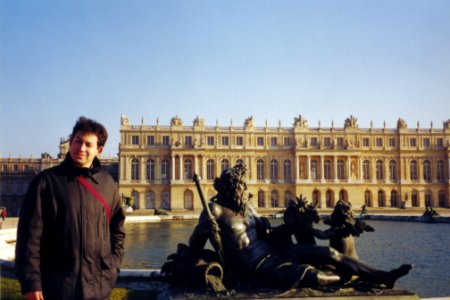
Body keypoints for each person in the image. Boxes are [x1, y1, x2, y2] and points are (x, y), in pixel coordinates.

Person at [189, 163, 411, 291]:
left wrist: (291, 226)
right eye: (241, 186)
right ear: (230, 188)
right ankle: (351, 278)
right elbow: (194, 247)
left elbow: (269, 234)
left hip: (274, 252)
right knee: (312, 276)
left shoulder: (247, 207)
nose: (245, 190)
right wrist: (202, 230)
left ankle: (384, 276)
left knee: (326, 252)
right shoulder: (214, 211)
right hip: (257, 269)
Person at [15, 117, 126, 300]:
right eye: (77, 141)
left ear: (99, 150)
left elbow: (117, 228)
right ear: (71, 141)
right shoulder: (45, 182)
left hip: (98, 289)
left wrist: (112, 267)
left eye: (88, 144)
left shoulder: (108, 184)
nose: (81, 148)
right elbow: (29, 237)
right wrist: (31, 282)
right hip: (57, 289)